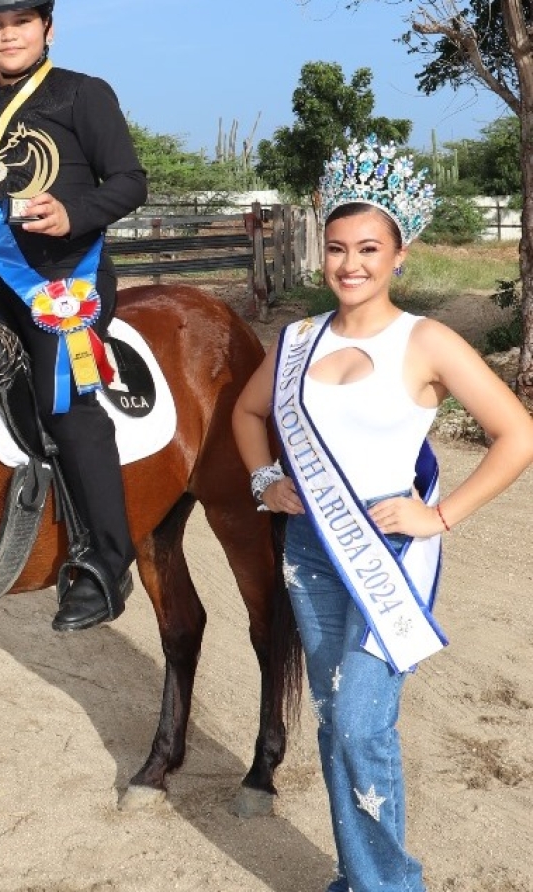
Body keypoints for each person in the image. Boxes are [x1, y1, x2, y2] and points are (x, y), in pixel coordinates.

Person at [232, 135, 533, 892]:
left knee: (364, 724)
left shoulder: (425, 340)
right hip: (308, 547)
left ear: (401, 252)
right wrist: (266, 479)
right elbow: (245, 413)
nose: (350, 264)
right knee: (337, 723)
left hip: (389, 549)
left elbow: (517, 434)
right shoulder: (297, 339)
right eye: (337, 248)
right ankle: (359, 878)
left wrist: (443, 515)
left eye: (369, 248)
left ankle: (388, 886)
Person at [0, 0, 149, 631]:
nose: (8, 35)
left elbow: (130, 181)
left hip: (66, 280)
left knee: (63, 402)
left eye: (20, 22)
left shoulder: (83, 94)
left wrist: (75, 214)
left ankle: (104, 562)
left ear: (47, 29)